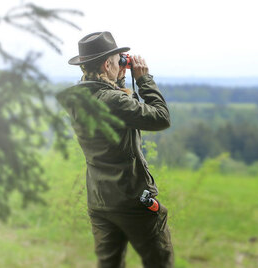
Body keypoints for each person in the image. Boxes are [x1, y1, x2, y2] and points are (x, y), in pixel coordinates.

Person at [57, 31, 173, 268]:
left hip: (100, 201)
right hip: (132, 199)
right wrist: (144, 80)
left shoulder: (79, 99)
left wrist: (118, 78)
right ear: (106, 63)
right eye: (118, 59)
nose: (122, 62)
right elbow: (161, 118)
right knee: (159, 261)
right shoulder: (113, 101)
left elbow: (109, 99)